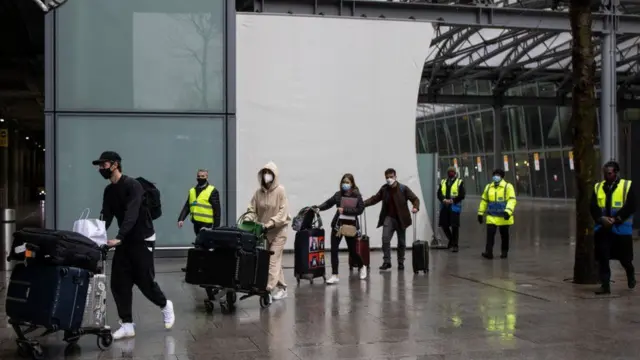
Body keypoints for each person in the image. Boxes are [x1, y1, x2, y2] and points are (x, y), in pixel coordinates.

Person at [93, 151, 175, 340]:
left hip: (142, 237)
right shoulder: (109, 191)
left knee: (144, 281)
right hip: (125, 239)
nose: (101, 169)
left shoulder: (132, 185)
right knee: (119, 283)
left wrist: (120, 237)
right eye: (100, 166)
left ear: (115, 165)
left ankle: (164, 305)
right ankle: (127, 324)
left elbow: (132, 213)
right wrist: (97, 236)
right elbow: (106, 215)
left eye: (104, 165)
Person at [591, 161, 636, 295]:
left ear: (616, 173)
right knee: (603, 257)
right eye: (604, 173)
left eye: (609, 173)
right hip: (603, 229)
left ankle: (630, 272)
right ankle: (605, 285)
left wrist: (616, 219)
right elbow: (593, 206)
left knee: (625, 259)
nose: (606, 176)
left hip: (621, 230)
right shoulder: (598, 187)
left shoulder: (626, 186)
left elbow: (631, 205)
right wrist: (600, 219)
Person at [247, 161, 291, 301]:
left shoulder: (280, 191)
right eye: (265, 173)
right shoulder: (258, 193)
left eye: (269, 173)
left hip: (279, 230)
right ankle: (283, 288)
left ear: (274, 175)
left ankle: (267, 289)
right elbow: (252, 209)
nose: (267, 176)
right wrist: (248, 218)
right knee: (275, 261)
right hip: (265, 232)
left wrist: (270, 223)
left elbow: (283, 212)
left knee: (272, 260)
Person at [364, 168, 420, 271]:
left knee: (401, 242)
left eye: (391, 177)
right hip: (388, 218)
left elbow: (415, 199)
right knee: (385, 239)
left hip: (401, 219)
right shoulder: (384, 189)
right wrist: (363, 204)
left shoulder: (403, 189)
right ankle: (387, 262)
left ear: (395, 177)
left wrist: (415, 207)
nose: (389, 179)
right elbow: (374, 199)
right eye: (387, 177)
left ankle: (401, 262)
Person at [314, 173, 367, 283]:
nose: (345, 184)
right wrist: (319, 208)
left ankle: (362, 266)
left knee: (352, 252)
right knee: (334, 249)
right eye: (343, 182)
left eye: (347, 182)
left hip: (350, 226)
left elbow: (360, 209)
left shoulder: (356, 195)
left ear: (352, 183)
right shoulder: (338, 195)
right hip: (338, 226)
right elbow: (329, 203)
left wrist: (345, 210)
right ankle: (335, 274)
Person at [177, 169, 221, 272]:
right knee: (202, 245)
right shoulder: (192, 191)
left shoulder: (212, 191)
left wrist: (216, 227)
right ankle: (201, 267)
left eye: (202, 176)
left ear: (206, 177)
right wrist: (181, 219)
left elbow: (217, 210)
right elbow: (187, 206)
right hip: (196, 223)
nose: (200, 178)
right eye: (199, 176)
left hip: (207, 223)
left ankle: (196, 267)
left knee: (201, 244)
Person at [477, 168, 517, 259]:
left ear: (502, 177)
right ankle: (489, 252)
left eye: (498, 175)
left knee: (504, 236)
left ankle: (504, 252)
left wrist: (508, 211)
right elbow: (484, 201)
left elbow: (512, 200)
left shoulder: (508, 186)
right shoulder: (488, 187)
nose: (496, 177)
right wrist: (480, 213)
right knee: (490, 235)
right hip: (491, 216)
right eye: (495, 175)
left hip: (503, 216)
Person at [437, 166, 465, 252]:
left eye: (452, 172)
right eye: (449, 172)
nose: (451, 173)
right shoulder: (443, 181)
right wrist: (443, 199)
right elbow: (439, 193)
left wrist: (453, 200)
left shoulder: (459, 182)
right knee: (444, 225)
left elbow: (462, 195)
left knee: (454, 226)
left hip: (454, 206)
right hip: (444, 206)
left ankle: (455, 245)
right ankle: (451, 240)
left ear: (455, 173)